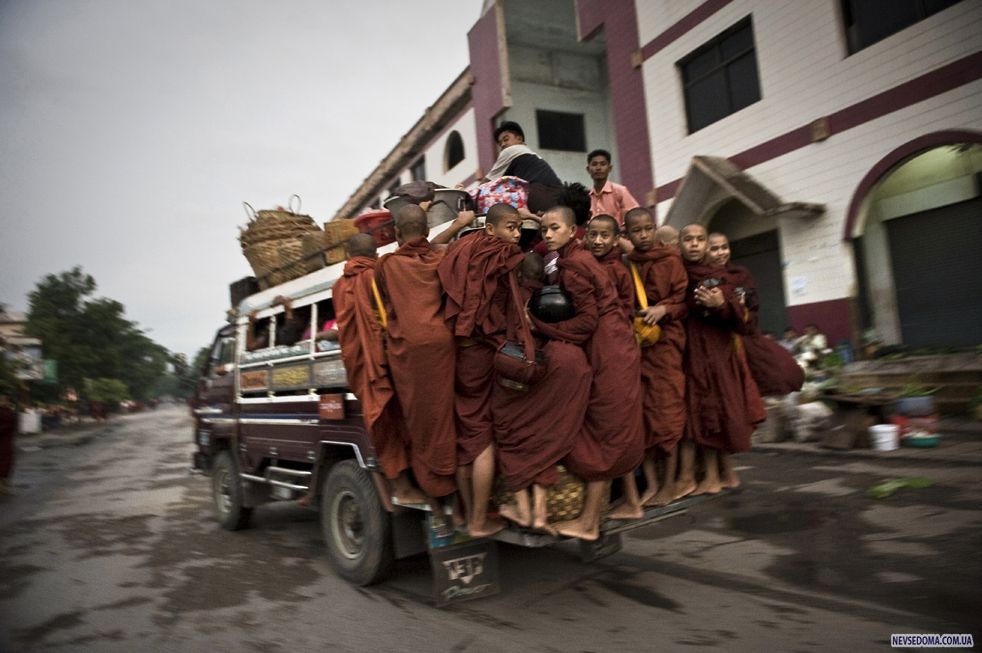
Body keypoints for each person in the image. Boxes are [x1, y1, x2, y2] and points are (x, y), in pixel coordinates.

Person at [530, 205, 644, 541]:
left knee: (603, 435)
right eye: (545, 229)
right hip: (615, 343)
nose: (547, 234)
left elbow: (586, 322)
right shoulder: (576, 259)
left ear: (571, 231)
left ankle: (589, 522)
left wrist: (537, 325)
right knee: (608, 431)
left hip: (607, 348)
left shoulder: (574, 267)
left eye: (554, 228)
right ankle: (593, 518)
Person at [437, 203, 525, 537]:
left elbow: (437, 251)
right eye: (510, 228)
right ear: (490, 229)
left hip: (459, 353)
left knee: (465, 437)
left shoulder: (462, 248)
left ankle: (461, 513)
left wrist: (456, 225)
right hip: (483, 355)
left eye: (518, 228)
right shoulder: (504, 258)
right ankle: (478, 520)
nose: (516, 235)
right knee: (483, 439)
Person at [375, 206, 458, 508]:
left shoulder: (385, 265)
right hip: (443, 346)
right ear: (425, 231)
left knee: (419, 416)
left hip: (407, 350)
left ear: (397, 233)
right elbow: (438, 250)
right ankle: (448, 476)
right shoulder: (441, 257)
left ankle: (432, 486)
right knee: (444, 411)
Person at [680, 224, 765, 495]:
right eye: (688, 239)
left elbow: (743, 322)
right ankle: (724, 475)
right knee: (703, 414)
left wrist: (721, 305)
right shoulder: (680, 272)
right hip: (693, 352)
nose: (694, 244)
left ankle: (714, 478)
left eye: (699, 240)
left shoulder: (721, 277)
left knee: (714, 413)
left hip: (718, 354)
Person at [332, 233, 418, 505]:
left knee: (382, 425)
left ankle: (402, 485)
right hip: (385, 361)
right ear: (376, 254)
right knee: (400, 422)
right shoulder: (377, 275)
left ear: (348, 256)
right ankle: (407, 487)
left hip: (360, 365)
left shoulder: (338, 286)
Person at [619, 207, 689, 510]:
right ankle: (653, 485)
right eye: (638, 231)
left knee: (668, 415)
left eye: (649, 229)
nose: (644, 235)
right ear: (628, 234)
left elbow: (684, 300)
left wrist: (665, 309)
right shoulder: (627, 263)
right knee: (643, 417)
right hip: (640, 348)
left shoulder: (671, 260)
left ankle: (670, 484)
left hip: (667, 347)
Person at [706, 232, 804, 399]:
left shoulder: (740, 274)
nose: (721, 252)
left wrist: (742, 315)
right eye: (714, 249)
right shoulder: (704, 278)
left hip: (746, 334)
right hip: (717, 340)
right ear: (705, 251)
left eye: (724, 247)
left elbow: (752, 305)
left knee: (784, 371)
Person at [485, 121, 564, 214]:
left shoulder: (510, 151)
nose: (502, 145)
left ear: (519, 139)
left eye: (506, 139)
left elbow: (487, 183)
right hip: (560, 197)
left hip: (540, 196)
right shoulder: (532, 155)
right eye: (500, 143)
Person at [585, 214, 633, 322]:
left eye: (604, 236)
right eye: (593, 235)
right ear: (586, 237)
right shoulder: (582, 264)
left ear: (615, 240)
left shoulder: (619, 271)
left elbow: (627, 306)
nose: (597, 241)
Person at [585, 149, 640, 226]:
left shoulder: (620, 191)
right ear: (588, 169)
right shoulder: (587, 197)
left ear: (610, 168)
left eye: (603, 164)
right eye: (594, 164)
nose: (598, 168)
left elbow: (635, 215)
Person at [0, 394, 16, 495]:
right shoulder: (9, 412)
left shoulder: (6, 413)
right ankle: (3, 485)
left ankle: (2, 486)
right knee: (4, 464)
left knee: (3, 464)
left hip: (4, 442)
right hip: (6, 443)